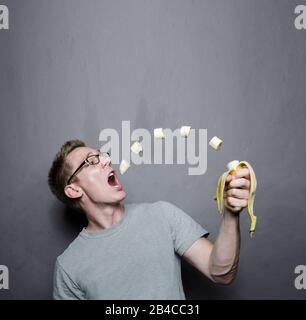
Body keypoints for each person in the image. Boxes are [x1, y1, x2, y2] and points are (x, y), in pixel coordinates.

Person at [48, 139, 251, 300]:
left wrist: (231, 214)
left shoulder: (162, 215)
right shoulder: (68, 268)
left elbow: (221, 273)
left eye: (103, 155)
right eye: (91, 161)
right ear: (73, 189)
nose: (106, 160)